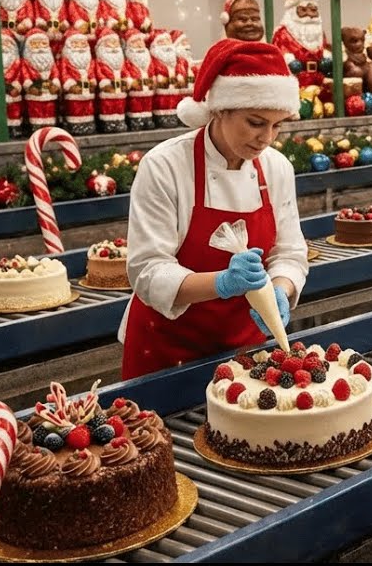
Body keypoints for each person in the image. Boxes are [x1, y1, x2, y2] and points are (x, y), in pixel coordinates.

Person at [119, 38, 309, 379]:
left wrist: (280, 289)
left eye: (278, 125)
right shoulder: (165, 165)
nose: (267, 137)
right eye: (255, 122)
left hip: (246, 349)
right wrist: (221, 283)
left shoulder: (277, 168)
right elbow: (147, 270)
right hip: (168, 349)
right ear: (221, 109)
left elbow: (290, 253)